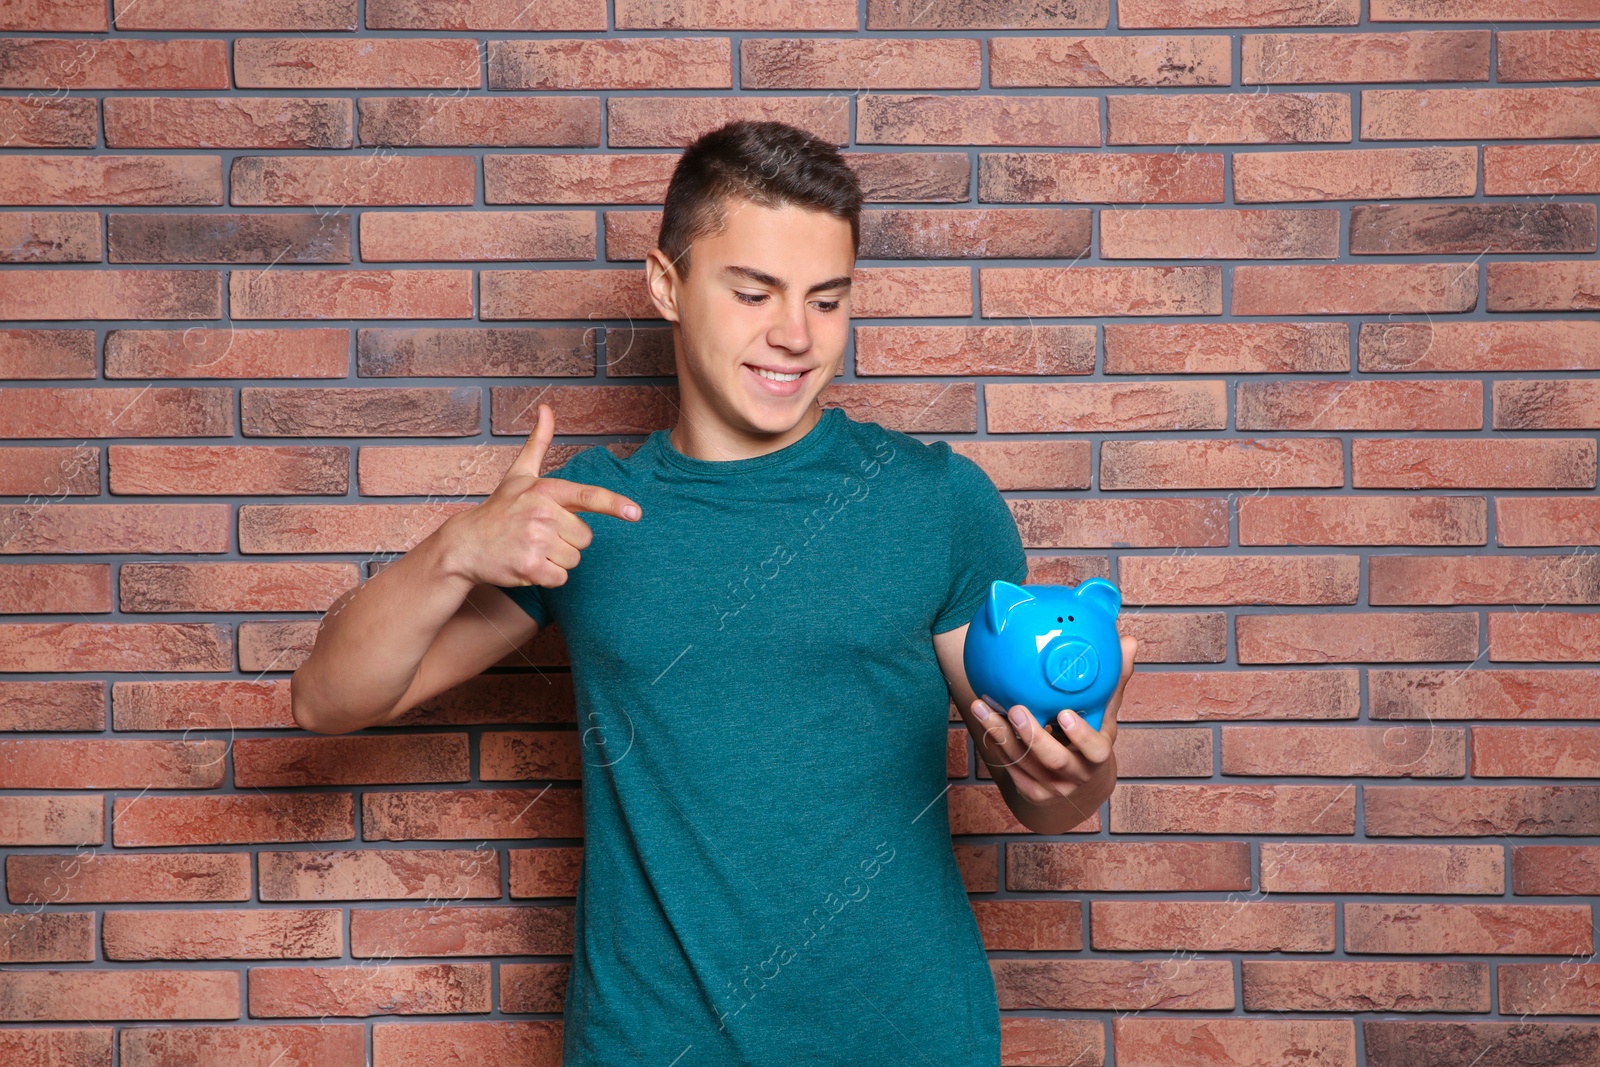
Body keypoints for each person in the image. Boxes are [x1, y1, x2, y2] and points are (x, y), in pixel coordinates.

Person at [291, 119, 1135, 1066]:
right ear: (666, 285)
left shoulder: (935, 502)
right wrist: (454, 549)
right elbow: (329, 698)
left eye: (827, 299)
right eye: (753, 292)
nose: (794, 335)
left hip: (904, 1039)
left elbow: (1044, 793)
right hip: (651, 1043)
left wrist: (1079, 772)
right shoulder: (587, 515)